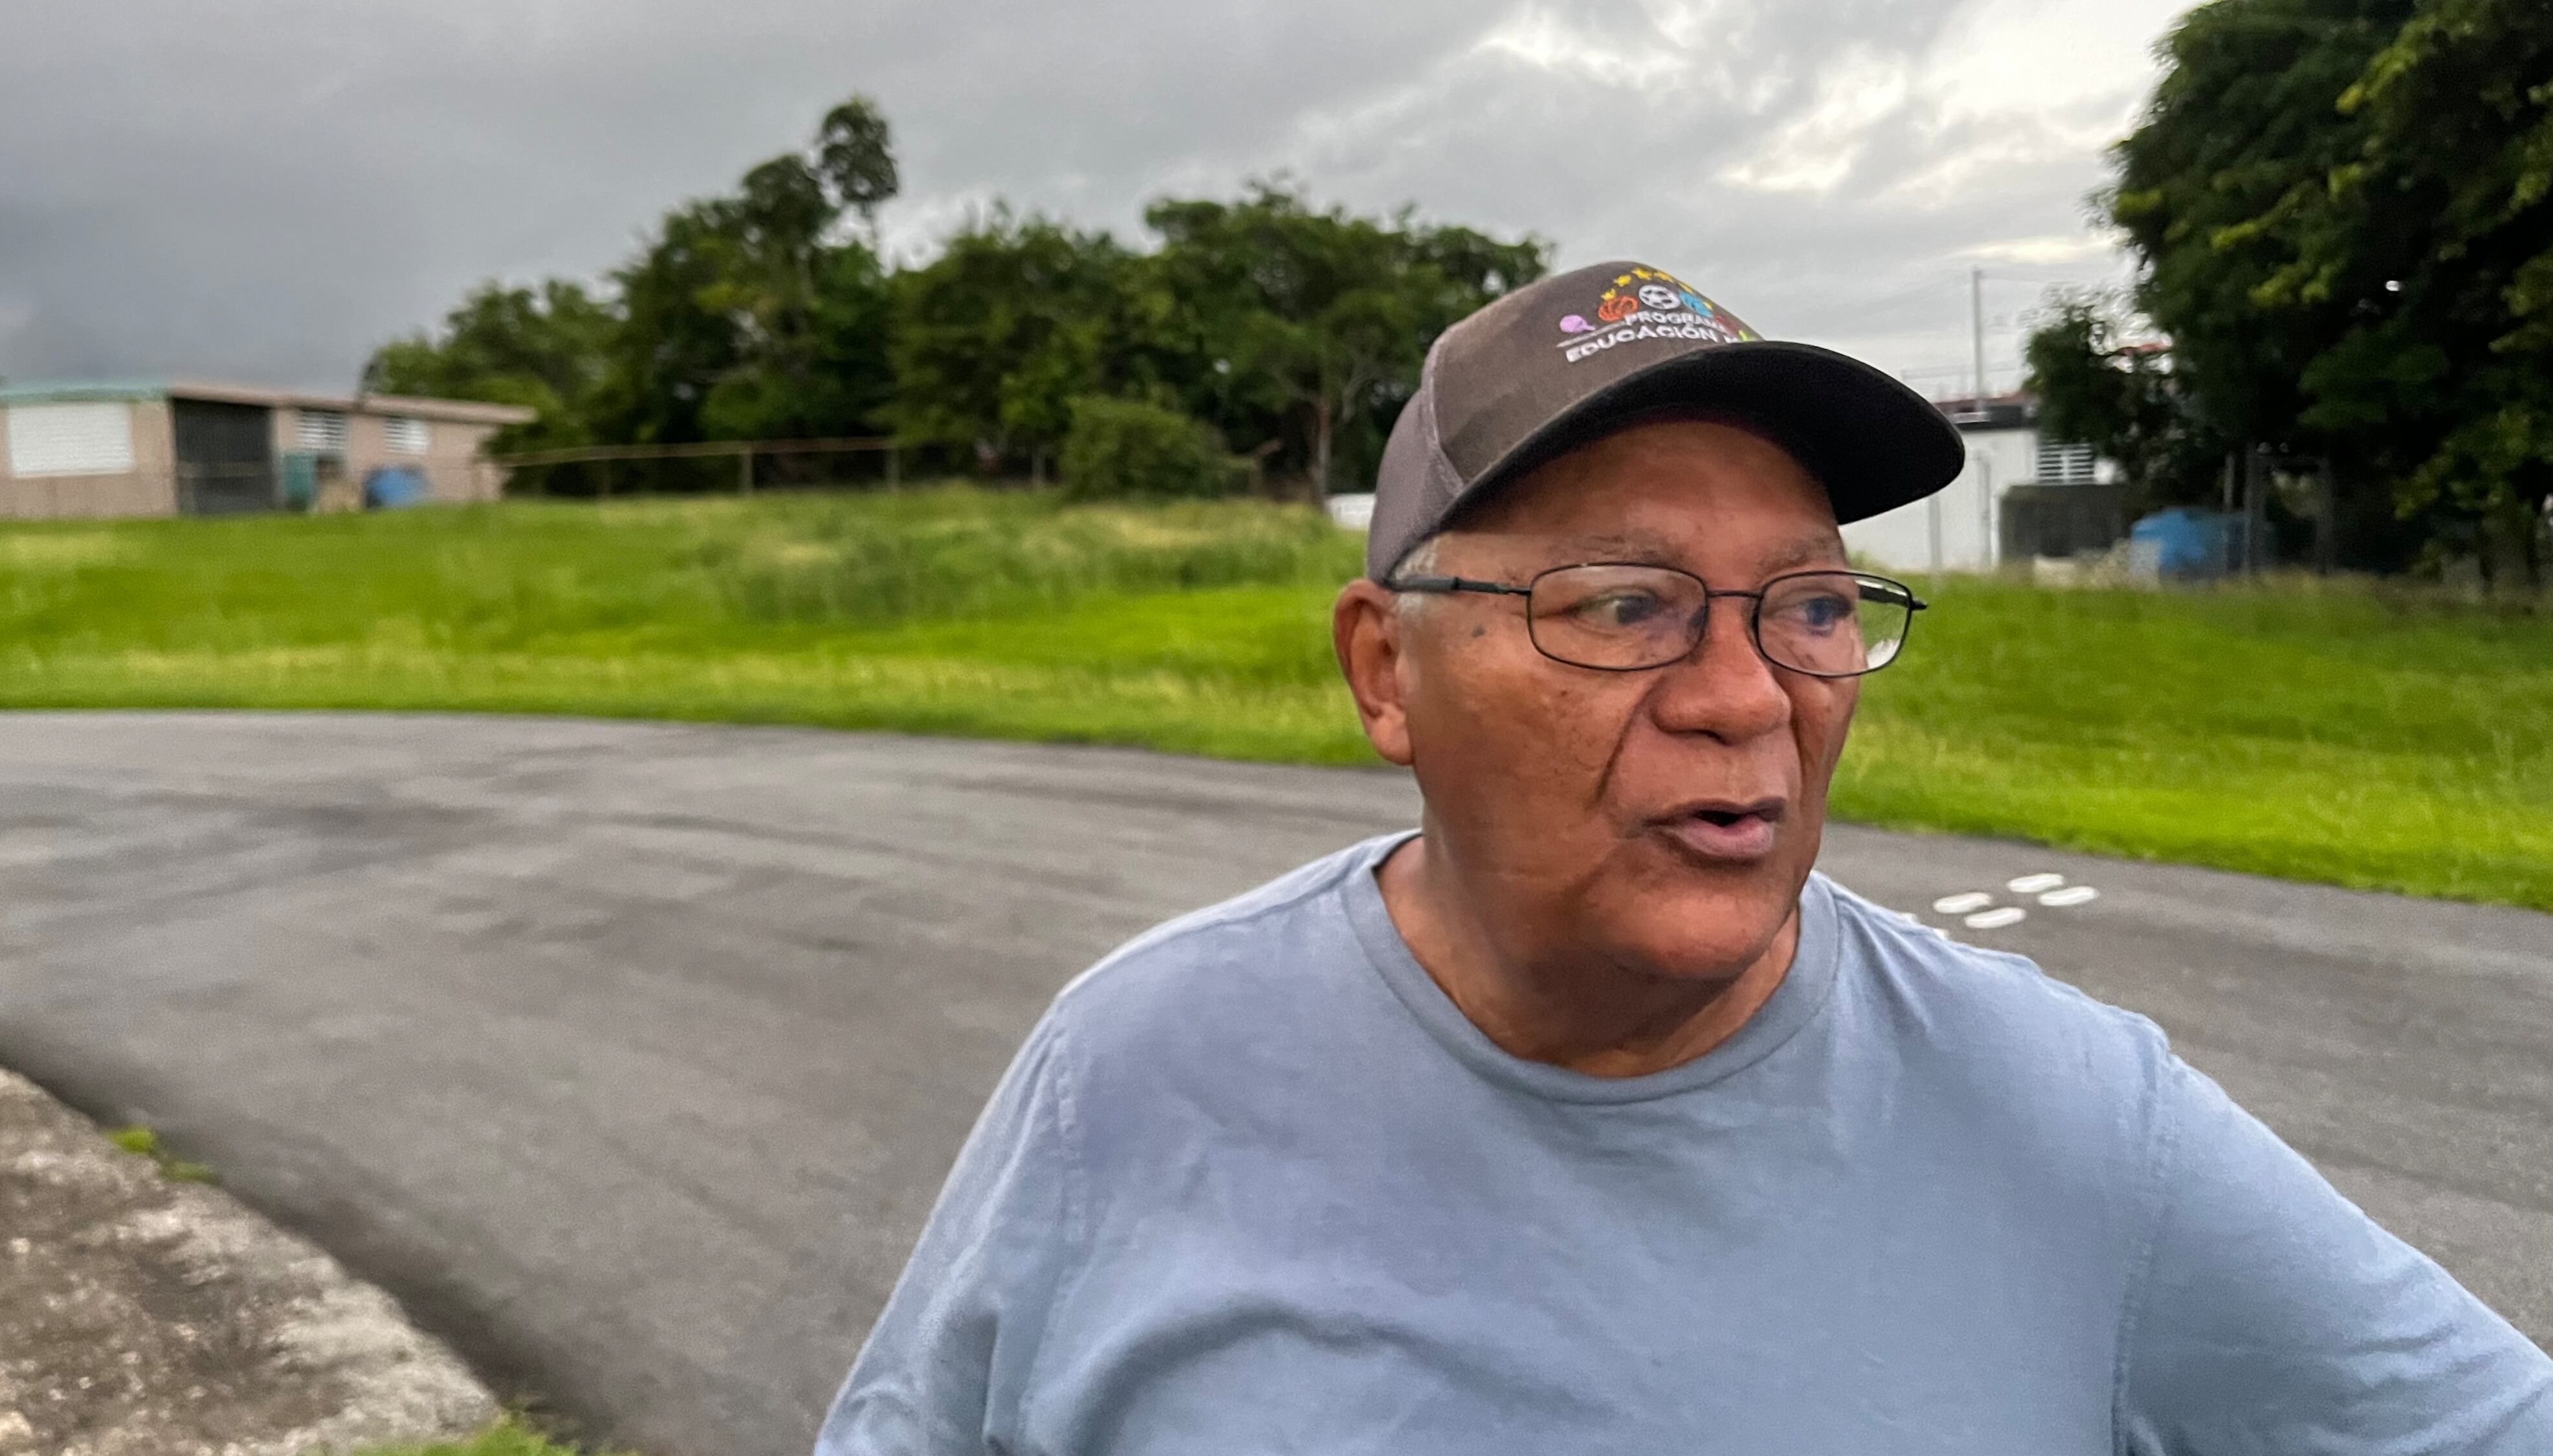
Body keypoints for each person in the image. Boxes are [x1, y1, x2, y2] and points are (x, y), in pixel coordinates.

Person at [813, 262, 2552, 1453]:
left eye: (1807, 604)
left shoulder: (2072, 1116)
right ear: (1383, 671)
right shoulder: (1133, 1072)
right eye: (1624, 604)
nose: (1746, 697)